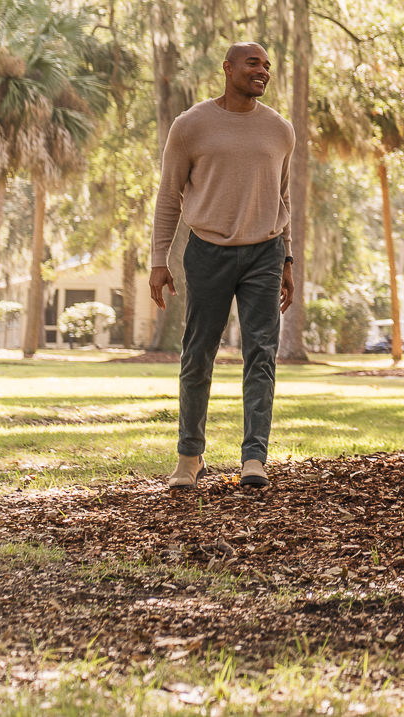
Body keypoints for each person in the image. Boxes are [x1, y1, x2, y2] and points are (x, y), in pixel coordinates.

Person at [148, 42, 297, 489]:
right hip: (207, 251)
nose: (263, 71)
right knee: (197, 354)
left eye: (267, 66)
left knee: (261, 355)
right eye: (254, 63)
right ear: (227, 68)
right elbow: (168, 195)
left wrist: (287, 258)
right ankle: (189, 458)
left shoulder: (280, 130)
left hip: (265, 254)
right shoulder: (191, 126)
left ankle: (254, 458)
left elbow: (283, 197)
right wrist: (159, 259)